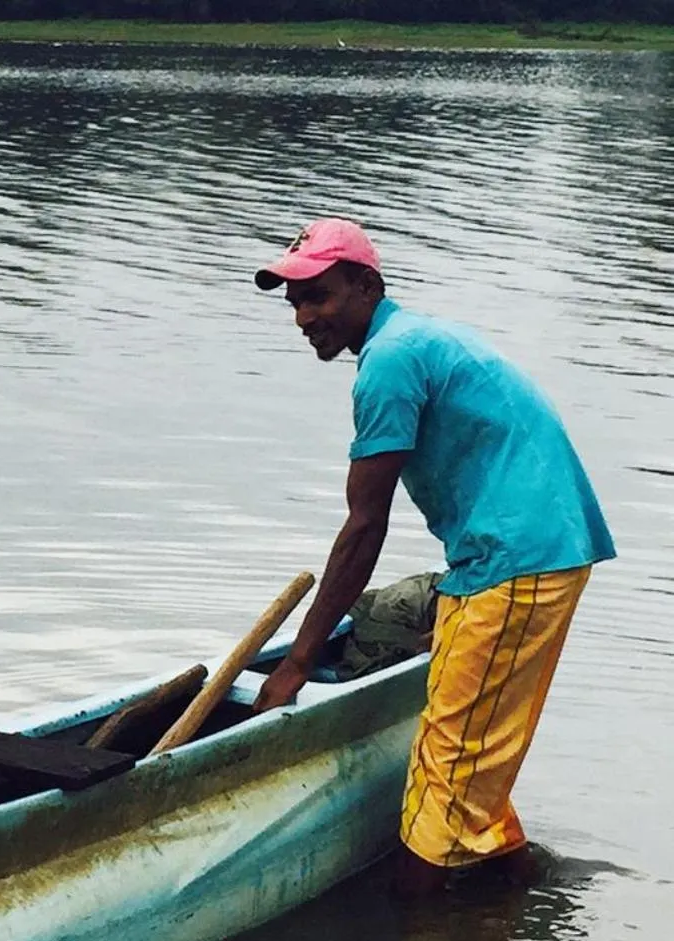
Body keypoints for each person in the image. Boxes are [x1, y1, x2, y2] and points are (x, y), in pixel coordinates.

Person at [248, 217, 615, 898]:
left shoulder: (389, 362)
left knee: (438, 782)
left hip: (515, 563)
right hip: (527, 552)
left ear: (365, 286)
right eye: (293, 301)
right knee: (468, 761)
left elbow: (364, 526)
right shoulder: (414, 339)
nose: (303, 317)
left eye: (318, 296)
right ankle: (513, 892)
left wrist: (296, 664)